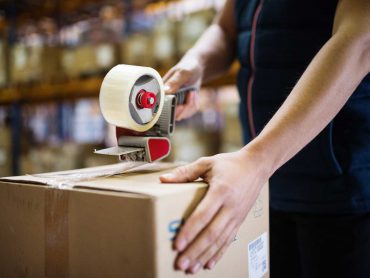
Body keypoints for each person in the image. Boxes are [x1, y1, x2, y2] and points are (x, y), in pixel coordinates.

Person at [159, 0, 370, 277]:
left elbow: (360, 41)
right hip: (265, 191)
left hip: (343, 196)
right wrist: (196, 61)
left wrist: (257, 161)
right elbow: (225, 29)